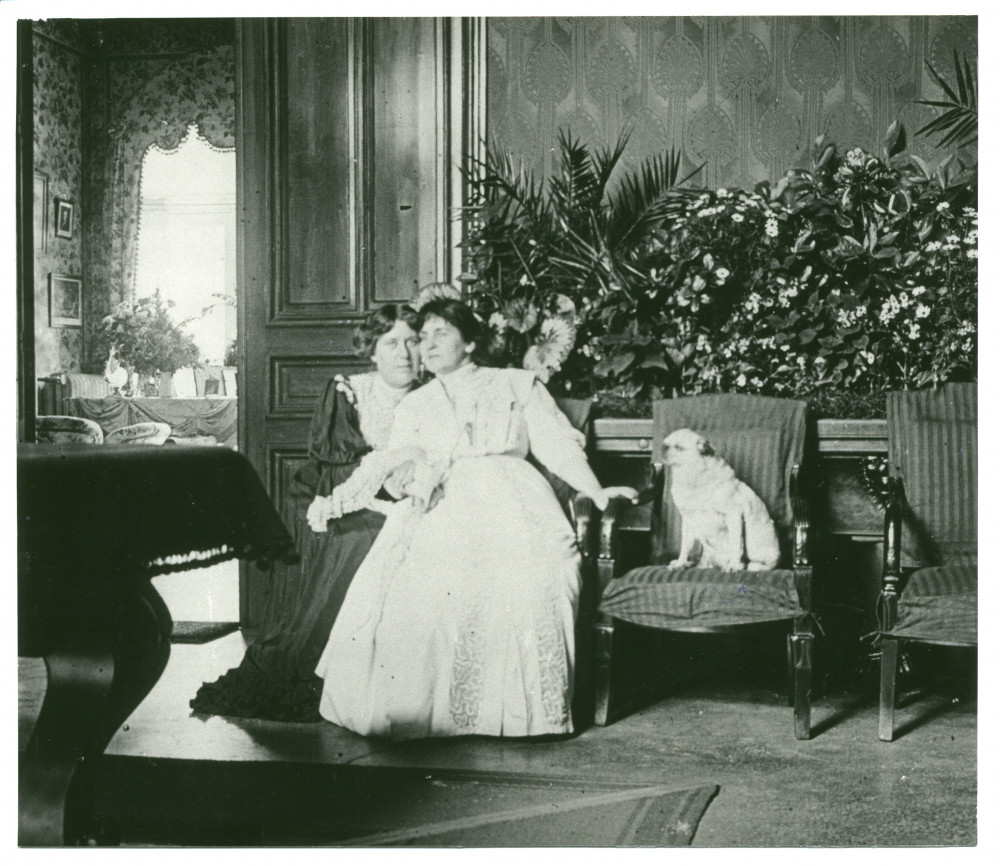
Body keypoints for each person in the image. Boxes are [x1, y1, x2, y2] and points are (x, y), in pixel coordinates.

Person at [314, 298, 636, 739]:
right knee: (426, 582)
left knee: (538, 574)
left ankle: (526, 717)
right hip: (445, 502)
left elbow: (556, 444)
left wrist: (597, 491)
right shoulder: (416, 404)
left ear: (470, 341)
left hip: (514, 495)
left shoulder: (517, 384)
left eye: (439, 334)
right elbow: (400, 467)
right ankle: (438, 715)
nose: (425, 345)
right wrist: (413, 485)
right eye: (421, 337)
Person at [190, 304, 421, 722]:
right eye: (392, 343)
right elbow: (334, 467)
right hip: (353, 497)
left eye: (412, 341)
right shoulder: (351, 390)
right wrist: (384, 487)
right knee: (363, 540)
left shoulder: (435, 394)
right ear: (372, 350)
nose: (404, 353)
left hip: (420, 499)